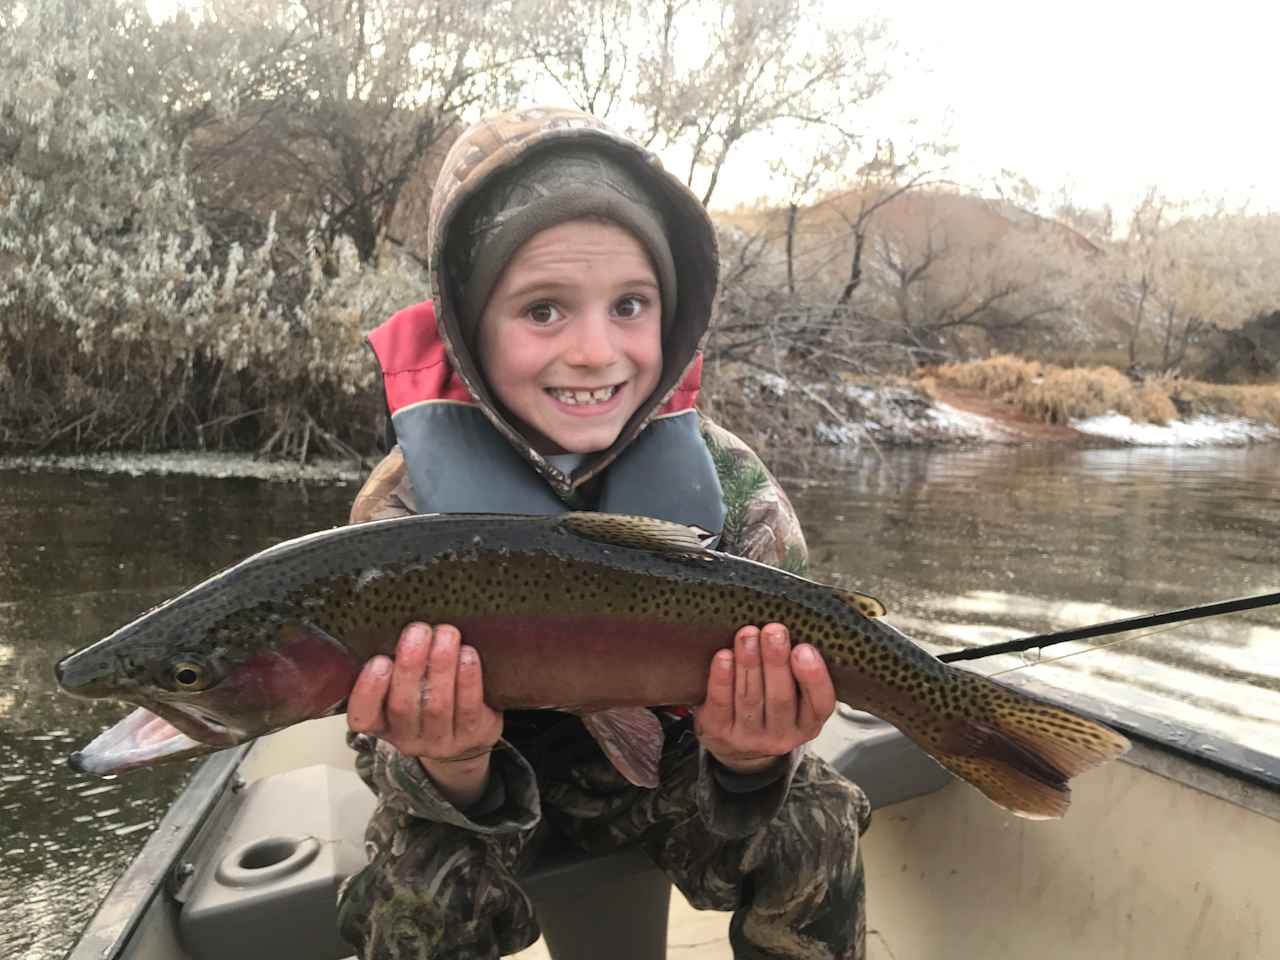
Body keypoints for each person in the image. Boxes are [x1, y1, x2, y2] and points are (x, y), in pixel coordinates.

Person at [335, 105, 871, 960]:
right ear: (467, 327)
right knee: (414, 882)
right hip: (486, 795)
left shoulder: (738, 494)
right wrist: (455, 765)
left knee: (815, 820)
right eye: (543, 310)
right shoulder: (399, 514)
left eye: (630, 306)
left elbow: (774, 728)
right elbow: (374, 745)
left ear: (672, 315)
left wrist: (751, 759)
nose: (594, 351)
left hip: (674, 781)